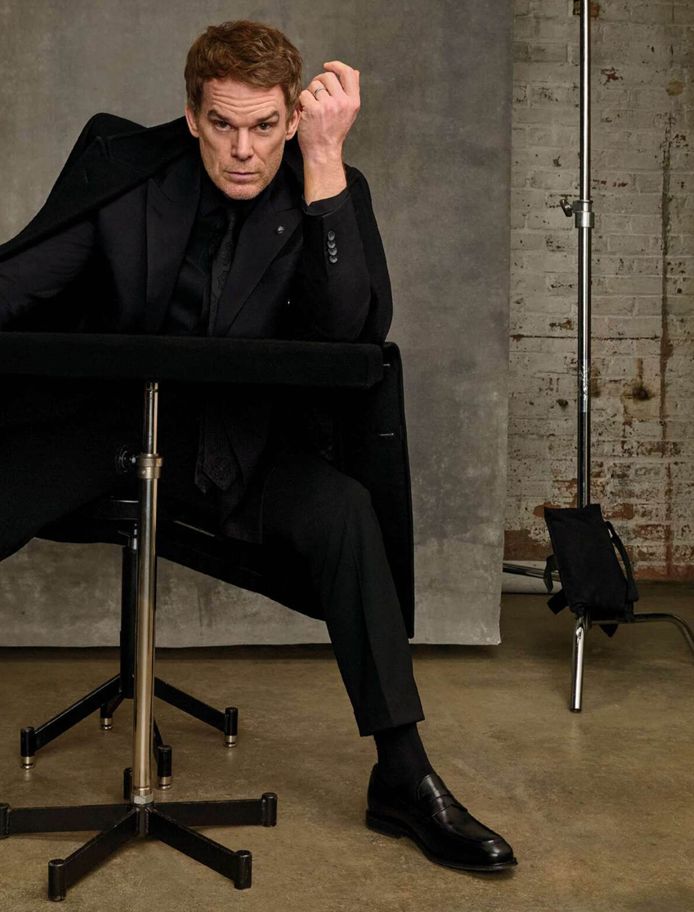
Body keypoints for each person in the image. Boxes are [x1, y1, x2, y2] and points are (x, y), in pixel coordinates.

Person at [0, 20, 516, 872]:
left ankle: (403, 777)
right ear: (193, 117)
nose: (244, 150)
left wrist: (324, 162)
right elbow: (19, 284)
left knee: (346, 514)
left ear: (292, 118)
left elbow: (349, 334)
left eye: (265, 126)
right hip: (107, 436)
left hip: (238, 454)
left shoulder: (326, 190)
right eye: (224, 125)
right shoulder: (131, 177)